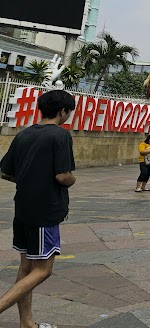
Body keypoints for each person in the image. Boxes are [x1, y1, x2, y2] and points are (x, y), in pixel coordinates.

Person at [0, 89, 76, 328]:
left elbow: (5, 171)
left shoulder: (24, 134)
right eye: (68, 112)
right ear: (62, 111)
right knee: (43, 270)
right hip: (45, 212)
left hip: (22, 209)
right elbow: (63, 176)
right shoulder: (60, 136)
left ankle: (27, 323)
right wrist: (71, 180)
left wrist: (29, 179)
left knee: (27, 266)